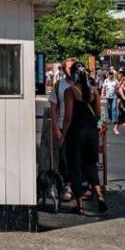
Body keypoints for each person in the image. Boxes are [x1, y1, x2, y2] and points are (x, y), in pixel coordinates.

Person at [59, 63, 108, 215]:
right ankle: (99, 196)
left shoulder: (70, 91)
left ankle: (79, 205)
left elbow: (68, 117)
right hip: (91, 133)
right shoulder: (94, 91)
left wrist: (63, 135)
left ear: (74, 75)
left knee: (75, 168)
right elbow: (98, 113)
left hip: (76, 133)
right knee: (91, 165)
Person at [48, 57, 76, 203]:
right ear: (63, 69)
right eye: (68, 68)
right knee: (64, 157)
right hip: (62, 125)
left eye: (73, 67)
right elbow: (53, 107)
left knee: (79, 158)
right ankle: (67, 185)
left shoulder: (83, 84)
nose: (70, 70)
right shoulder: (59, 85)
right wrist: (54, 127)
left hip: (79, 126)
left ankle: (79, 185)